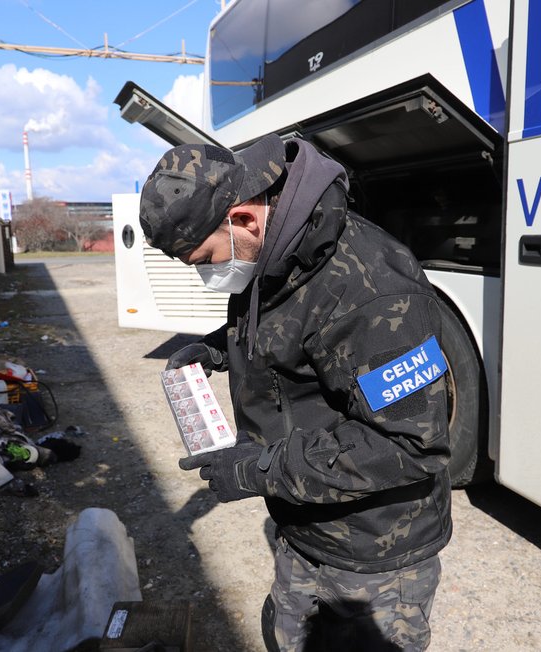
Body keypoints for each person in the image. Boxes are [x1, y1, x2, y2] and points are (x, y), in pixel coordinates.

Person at [139, 133, 452, 651]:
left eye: (205, 258)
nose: (206, 274)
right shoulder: (276, 246)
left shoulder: (373, 292)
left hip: (373, 553)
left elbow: (408, 446)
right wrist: (220, 348)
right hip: (305, 521)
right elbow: (295, 333)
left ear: (243, 219)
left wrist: (257, 468)